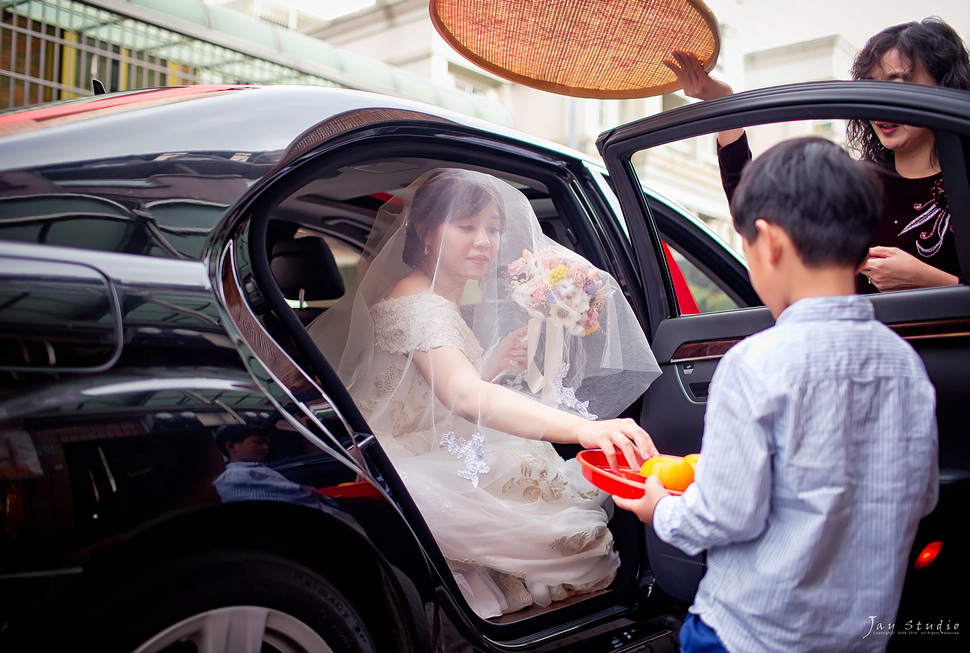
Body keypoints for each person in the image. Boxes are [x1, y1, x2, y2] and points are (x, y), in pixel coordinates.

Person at [613, 137, 939, 652]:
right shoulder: (905, 365)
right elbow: (919, 497)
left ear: (768, 243)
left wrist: (658, 508)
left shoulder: (754, 363)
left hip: (748, 633)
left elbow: (725, 514)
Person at [308, 168, 662, 618]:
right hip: (407, 459)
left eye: (493, 229)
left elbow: (432, 383)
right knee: (579, 543)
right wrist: (584, 429)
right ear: (425, 232)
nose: (484, 241)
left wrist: (490, 363)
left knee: (560, 496)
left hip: (426, 438)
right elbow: (462, 396)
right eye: (466, 226)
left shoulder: (435, 293)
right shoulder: (418, 302)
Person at [664, 16, 970, 292]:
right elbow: (756, 211)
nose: (882, 103)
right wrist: (725, 104)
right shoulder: (855, 185)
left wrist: (933, 282)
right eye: (873, 88)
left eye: (899, 84)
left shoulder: (963, 186)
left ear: (944, 87)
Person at [212, 424, 332, 510]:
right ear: (231, 446)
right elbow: (290, 492)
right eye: (259, 443)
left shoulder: (257, 469)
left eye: (266, 444)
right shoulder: (235, 476)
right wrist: (310, 491)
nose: (265, 447)